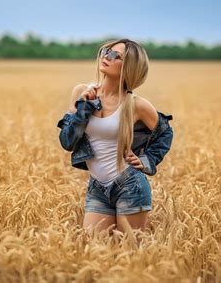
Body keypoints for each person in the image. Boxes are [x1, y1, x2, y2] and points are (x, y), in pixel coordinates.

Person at [56, 38, 174, 239]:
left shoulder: (135, 104)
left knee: (130, 254)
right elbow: (67, 142)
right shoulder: (81, 92)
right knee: (94, 250)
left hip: (130, 185)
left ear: (129, 67)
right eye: (105, 51)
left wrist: (147, 161)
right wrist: (84, 105)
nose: (106, 57)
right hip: (97, 186)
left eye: (115, 56)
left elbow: (165, 133)